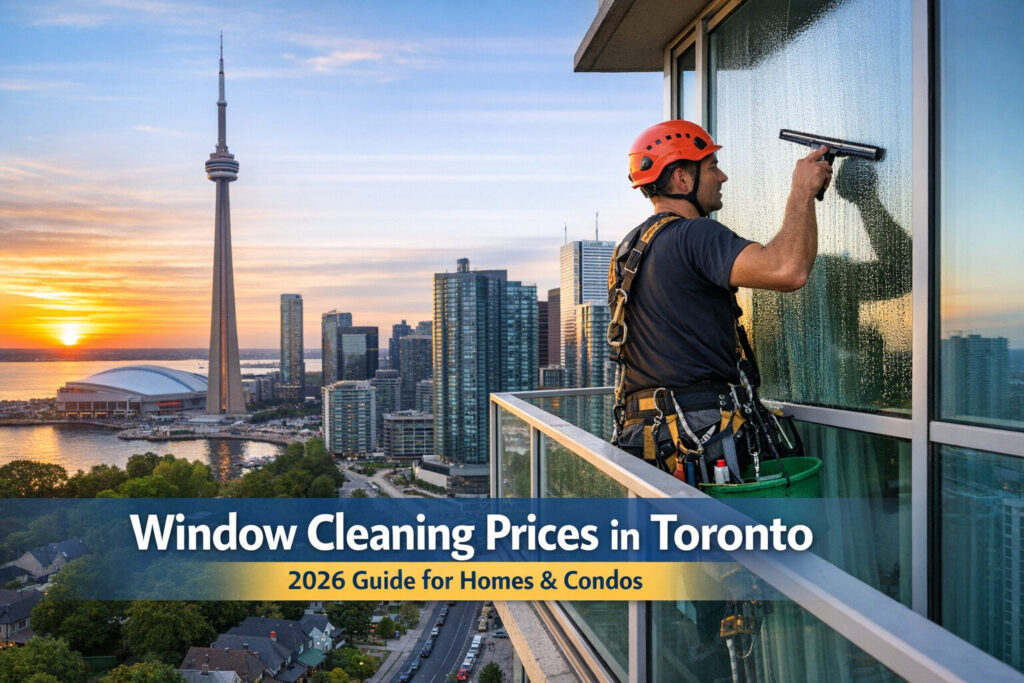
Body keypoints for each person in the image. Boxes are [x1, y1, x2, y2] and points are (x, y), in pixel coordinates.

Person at [607, 120, 833, 483]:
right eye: (712, 167)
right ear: (682, 179)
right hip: (699, 438)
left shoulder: (628, 250)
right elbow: (788, 270)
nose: (722, 177)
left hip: (650, 440)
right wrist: (802, 192)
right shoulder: (694, 235)